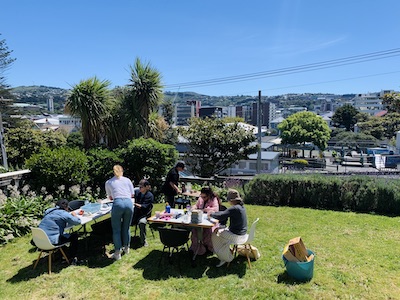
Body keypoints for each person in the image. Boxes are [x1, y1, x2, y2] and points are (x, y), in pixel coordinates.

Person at [209, 189, 248, 267]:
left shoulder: (234, 208)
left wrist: (210, 214)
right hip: (243, 234)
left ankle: (225, 258)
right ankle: (226, 252)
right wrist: (214, 213)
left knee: (214, 235)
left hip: (236, 236)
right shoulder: (241, 207)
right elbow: (223, 213)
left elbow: (221, 216)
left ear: (231, 200)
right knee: (219, 232)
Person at [105, 165, 135, 260]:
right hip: (128, 203)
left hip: (118, 203)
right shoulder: (127, 180)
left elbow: (110, 197)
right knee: (126, 227)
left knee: (116, 229)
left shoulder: (109, 182)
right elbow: (132, 194)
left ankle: (117, 252)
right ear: (122, 171)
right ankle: (127, 248)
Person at [38, 199, 82, 265]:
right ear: (66, 207)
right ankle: (72, 258)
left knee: (64, 234)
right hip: (51, 241)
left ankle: (61, 253)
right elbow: (77, 222)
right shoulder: (63, 213)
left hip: (39, 240)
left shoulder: (48, 211)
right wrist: (74, 215)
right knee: (74, 236)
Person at [189, 186, 219, 256]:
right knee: (195, 230)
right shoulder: (200, 198)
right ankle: (197, 248)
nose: (202, 198)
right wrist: (193, 208)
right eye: (201, 196)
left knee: (208, 232)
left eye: (204, 197)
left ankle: (209, 248)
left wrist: (206, 209)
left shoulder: (213, 199)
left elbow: (216, 210)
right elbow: (196, 205)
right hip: (199, 219)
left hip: (209, 221)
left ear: (209, 195)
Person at [131, 179, 154, 247]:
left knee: (142, 223)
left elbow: (143, 207)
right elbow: (130, 195)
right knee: (124, 220)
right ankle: (124, 241)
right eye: (139, 187)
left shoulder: (150, 196)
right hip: (135, 213)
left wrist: (134, 203)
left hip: (144, 214)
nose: (139, 188)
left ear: (146, 187)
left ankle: (143, 241)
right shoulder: (137, 192)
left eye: (141, 187)